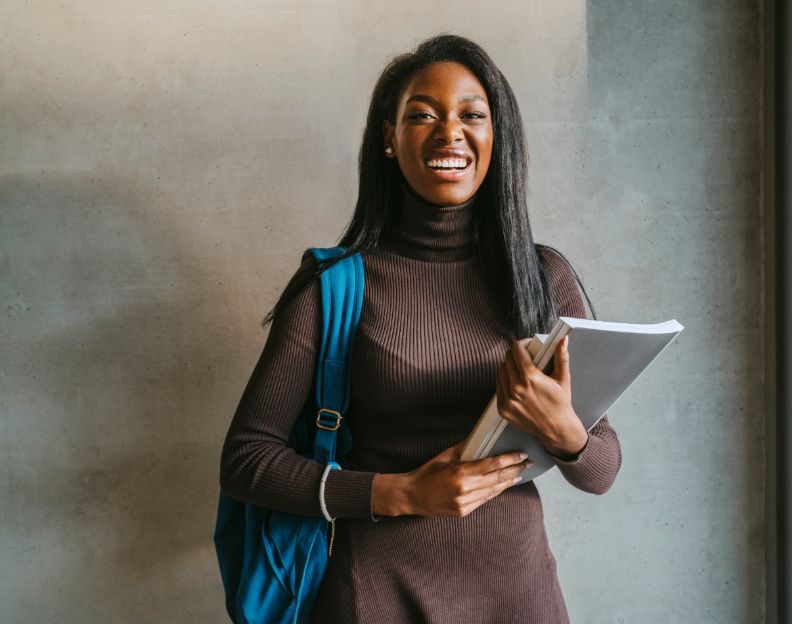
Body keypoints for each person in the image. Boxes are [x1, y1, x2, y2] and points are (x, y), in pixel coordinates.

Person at [219, 33, 622, 623]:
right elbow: (246, 459)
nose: (449, 132)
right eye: (423, 115)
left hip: (518, 595)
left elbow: (603, 470)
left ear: (495, 136)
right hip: (376, 598)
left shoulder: (542, 276)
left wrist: (568, 434)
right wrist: (399, 493)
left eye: (472, 115)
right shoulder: (333, 286)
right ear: (389, 138)